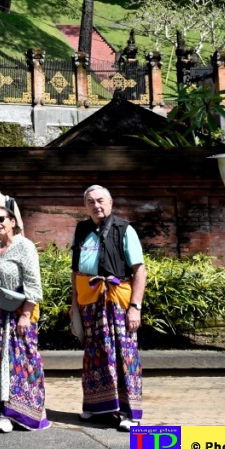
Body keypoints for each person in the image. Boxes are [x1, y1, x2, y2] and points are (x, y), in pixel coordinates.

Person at [72, 185, 147, 431]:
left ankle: (128, 411)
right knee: (95, 354)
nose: (96, 205)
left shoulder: (124, 229)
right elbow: (76, 272)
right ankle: (97, 407)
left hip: (117, 300)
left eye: (101, 200)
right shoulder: (82, 230)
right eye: (91, 202)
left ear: (111, 202)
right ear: (86, 206)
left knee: (123, 354)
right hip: (89, 301)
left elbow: (139, 270)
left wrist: (135, 307)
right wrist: (74, 306)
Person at [0, 203, 49, 432]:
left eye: (2, 219)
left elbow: (33, 283)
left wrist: (26, 314)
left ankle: (23, 411)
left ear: (13, 221)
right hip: (1, 315)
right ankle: (3, 411)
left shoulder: (25, 246)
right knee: (2, 362)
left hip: (21, 314)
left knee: (23, 361)